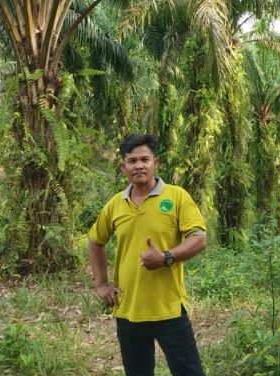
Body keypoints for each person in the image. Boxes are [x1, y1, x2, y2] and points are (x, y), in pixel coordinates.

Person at [88, 133, 207, 376]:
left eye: (145, 159)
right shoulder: (115, 204)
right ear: (123, 167)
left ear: (156, 163)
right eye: (132, 161)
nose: (139, 165)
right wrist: (101, 284)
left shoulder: (176, 197)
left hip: (169, 308)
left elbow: (199, 239)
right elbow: (95, 240)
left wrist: (166, 257)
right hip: (128, 310)